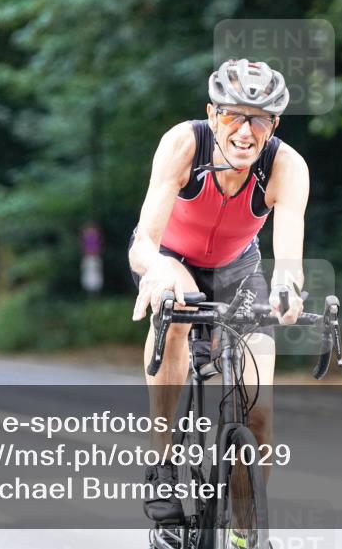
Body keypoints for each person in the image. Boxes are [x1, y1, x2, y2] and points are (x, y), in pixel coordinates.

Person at [128, 58, 309, 535]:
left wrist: (289, 289)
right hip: (171, 260)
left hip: (239, 272)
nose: (245, 131)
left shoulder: (286, 166)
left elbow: (289, 254)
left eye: (260, 119)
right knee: (178, 309)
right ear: (212, 114)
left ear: (274, 125)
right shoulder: (184, 143)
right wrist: (160, 268)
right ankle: (163, 463)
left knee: (261, 413)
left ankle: (246, 531)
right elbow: (143, 241)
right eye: (233, 115)